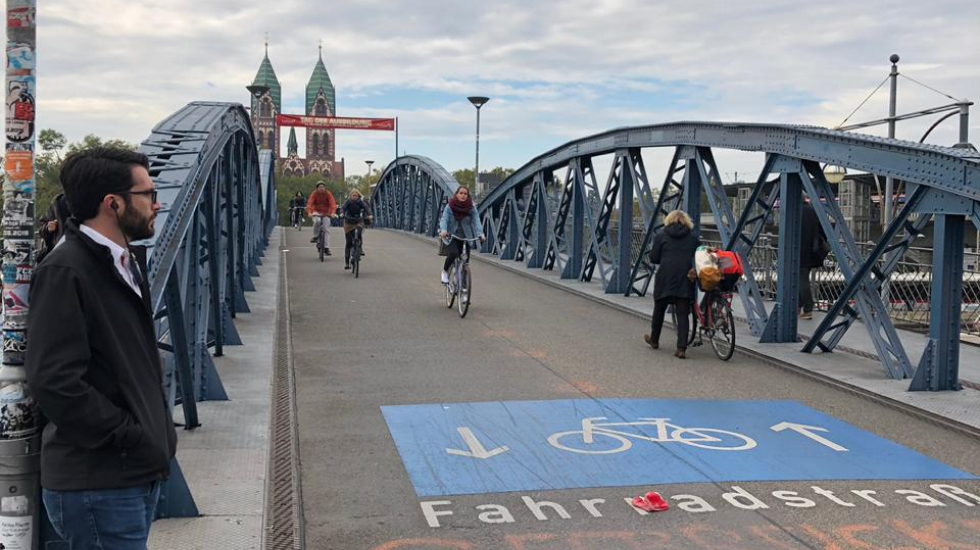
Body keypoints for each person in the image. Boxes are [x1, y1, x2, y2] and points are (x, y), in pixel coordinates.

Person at [25, 147, 176, 549]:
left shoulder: (123, 263)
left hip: (128, 476)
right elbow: (55, 382)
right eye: (148, 194)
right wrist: (130, 435)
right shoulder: (66, 270)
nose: (157, 204)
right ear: (113, 203)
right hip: (98, 483)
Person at [644, 210, 700, 359]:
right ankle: (681, 348)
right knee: (682, 313)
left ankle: (654, 340)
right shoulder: (692, 238)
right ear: (687, 222)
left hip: (665, 277)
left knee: (659, 309)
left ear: (668, 220)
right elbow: (700, 257)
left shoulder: (661, 235)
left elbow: (654, 258)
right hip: (685, 277)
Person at [439, 186, 485, 284]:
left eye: (465, 194)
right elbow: (444, 219)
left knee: (465, 262)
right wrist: (443, 230)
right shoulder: (450, 206)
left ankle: (463, 289)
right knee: (454, 253)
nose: (463, 195)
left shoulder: (471, 207)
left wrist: (480, 233)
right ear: (456, 194)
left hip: (466, 237)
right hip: (453, 236)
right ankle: (445, 272)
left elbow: (476, 220)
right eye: (461, 193)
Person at [799, 199, 827, 320]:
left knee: (801, 280)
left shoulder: (796, 210)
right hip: (812, 252)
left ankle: (807, 308)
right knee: (802, 278)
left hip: (800, 251)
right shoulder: (812, 210)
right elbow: (823, 231)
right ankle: (800, 306)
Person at [340, 190, 374, 269]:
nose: (354, 197)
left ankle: (359, 248)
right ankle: (346, 262)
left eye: (356, 195)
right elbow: (343, 208)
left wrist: (370, 214)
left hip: (358, 220)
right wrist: (341, 213)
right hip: (349, 221)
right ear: (350, 196)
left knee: (359, 232)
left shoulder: (360, 202)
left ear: (358, 196)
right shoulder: (348, 202)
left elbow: (367, 208)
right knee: (348, 243)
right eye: (353, 195)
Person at [36, 192, 71, 263]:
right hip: (59, 254)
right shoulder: (58, 203)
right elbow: (42, 228)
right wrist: (48, 228)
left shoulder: (91, 201)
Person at [306, 181, 337, 253]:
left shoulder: (328, 194)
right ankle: (316, 236)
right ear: (317, 188)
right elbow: (310, 203)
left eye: (323, 187)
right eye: (320, 187)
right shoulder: (314, 194)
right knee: (317, 221)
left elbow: (332, 203)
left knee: (326, 229)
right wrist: (309, 212)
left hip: (326, 212)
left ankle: (326, 247)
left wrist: (333, 213)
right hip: (316, 211)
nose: (322, 189)